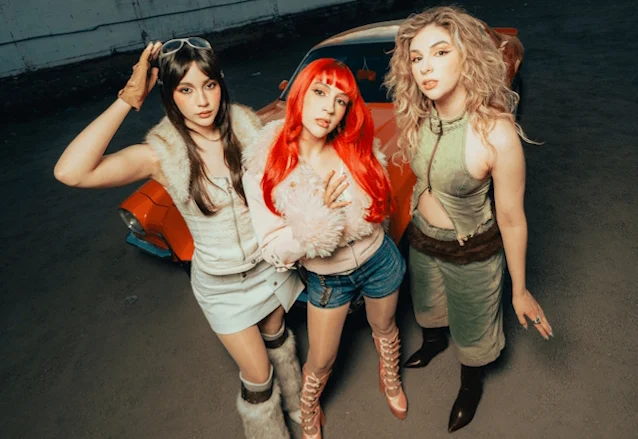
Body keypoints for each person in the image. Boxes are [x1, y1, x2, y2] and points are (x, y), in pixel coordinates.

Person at [54, 39, 305, 438]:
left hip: (270, 267)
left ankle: (298, 405)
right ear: (169, 95)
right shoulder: (162, 152)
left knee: (278, 338)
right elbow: (71, 172)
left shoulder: (246, 126)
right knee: (258, 377)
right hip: (222, 286)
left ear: (221, 83)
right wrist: (126, 100)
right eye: (186, 89)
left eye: (209, 85)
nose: (202, 101)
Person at [384, 6, 554, 432]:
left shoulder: (495, 132)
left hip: (471, 252)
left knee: (474, 328)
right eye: (417, 58)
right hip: (422, 240)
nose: (425, 67)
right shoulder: (418, 115)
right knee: (429, 308)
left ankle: (470, 383)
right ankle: (433, 342)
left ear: (467, 56)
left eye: (440, 52)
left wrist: (519, 291)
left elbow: (512, 219)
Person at [242, 58, 408, 439]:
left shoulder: (355, 147)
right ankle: (309, 404)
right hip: (329, 278)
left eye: (340, 101)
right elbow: (272, 249)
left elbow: (378, 208)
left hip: (378, 258)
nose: (329, 108)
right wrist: (318, 217)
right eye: (319, 92)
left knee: (385, 328)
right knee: (321, 360)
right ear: (300, 94)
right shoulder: (265, 165)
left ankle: (389, 375)